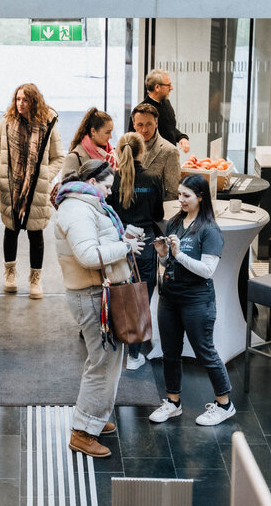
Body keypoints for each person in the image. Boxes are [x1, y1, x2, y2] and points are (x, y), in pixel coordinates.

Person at [53, 159, 145, 457]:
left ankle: (93, 416)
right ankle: (82, 433)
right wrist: (125, 247)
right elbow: (89, 255)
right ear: (92, 183)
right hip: (92, 296)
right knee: (103, 363)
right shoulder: (78, 209)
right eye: (106, 187)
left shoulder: (86, 205)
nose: (109, 193)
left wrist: (123, 238)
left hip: (97, 293)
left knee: (104, 360)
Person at [149, 173, 235, 426]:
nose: (181, 200)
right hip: (170, 296)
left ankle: (225, 404)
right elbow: (170, 262)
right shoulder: (176, 221)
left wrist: (178, 253)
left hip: (197, 300)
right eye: (179, 195)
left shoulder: (210, 230)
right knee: (170, 353)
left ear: (201, 197)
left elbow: (208, 271)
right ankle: (173, 402)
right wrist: (164, 254)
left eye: (186, 196)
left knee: (205, 352)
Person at [0, 83, 64, 299]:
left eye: (24, 99)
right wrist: (0, 168)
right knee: (10, 230)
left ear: (34, 101)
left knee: (36, 234)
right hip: (11, 187)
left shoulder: (48, 123)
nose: (20, 103)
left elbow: (58, 157)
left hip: (36, 190)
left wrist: (44, 176)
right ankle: (10, 276)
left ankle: (35, 280)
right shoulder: (6, 121)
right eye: (17, 99)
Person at [108, 132, 164, 370]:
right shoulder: (153, 178)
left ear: (119, 151)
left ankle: (113, 344)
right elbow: (158, 215)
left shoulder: (111, 178)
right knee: (141, 298)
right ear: (143, 151)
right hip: (145, 244)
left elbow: (108, 212)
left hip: (118, 243)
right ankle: (134, 355)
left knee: (117, 292)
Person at [128, 69, 190, 153]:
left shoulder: (166, 103)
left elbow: (169, 128)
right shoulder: (140, 112)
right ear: (157, 87)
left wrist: (181, 137)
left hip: (170, 156)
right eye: (168, 85)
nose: (171, 88)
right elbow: (132, 141)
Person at [130, 103, 181, 201]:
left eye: (149, 124)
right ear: (134, 125)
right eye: (140, 125)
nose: (144, 129)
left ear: (156, 123)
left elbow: (173, 193)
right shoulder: (127, 147)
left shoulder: (169, 151)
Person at [61, 107, 116, 178]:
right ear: (93, 131)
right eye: (107, 132)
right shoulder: (74, 158)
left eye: (111, 132)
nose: (110, 136)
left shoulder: (112, 155)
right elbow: (67, 187)